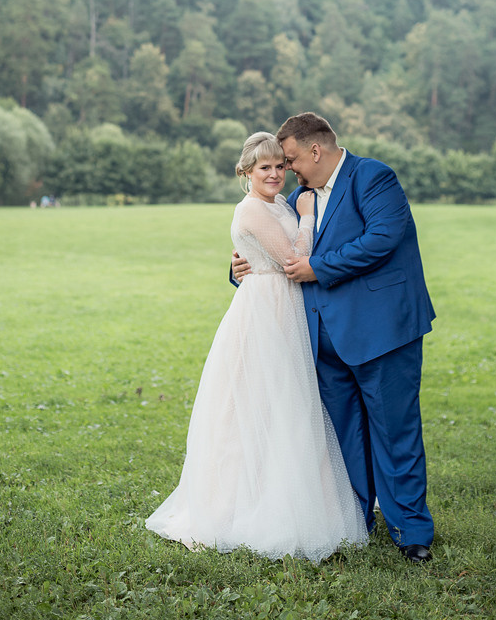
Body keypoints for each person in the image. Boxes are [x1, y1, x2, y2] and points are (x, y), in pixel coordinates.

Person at [145, 131, 368, 562]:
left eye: (280, 166)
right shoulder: (253, 209)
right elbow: (290, 261)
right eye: (264, 167)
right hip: (267, 313)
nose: (275, 174)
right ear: (246, 172)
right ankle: (249, 507)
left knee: (288, 404)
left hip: (286, 309)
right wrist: (306, 216)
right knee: (263, 404)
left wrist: (291, 214)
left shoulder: (277, 203)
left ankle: (296, 493)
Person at [232, 113, 436, 563]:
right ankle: (353, 519)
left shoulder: (373, 177)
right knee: (344, 436)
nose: (288, 171)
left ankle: (410, 528)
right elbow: (267, 245)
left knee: (394, 430)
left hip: (381, 330)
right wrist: (237, 267)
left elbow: (384, 236)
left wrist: (319, 268)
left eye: (290, 160)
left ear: (315, 150)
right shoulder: (299, 197)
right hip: (319, 337)